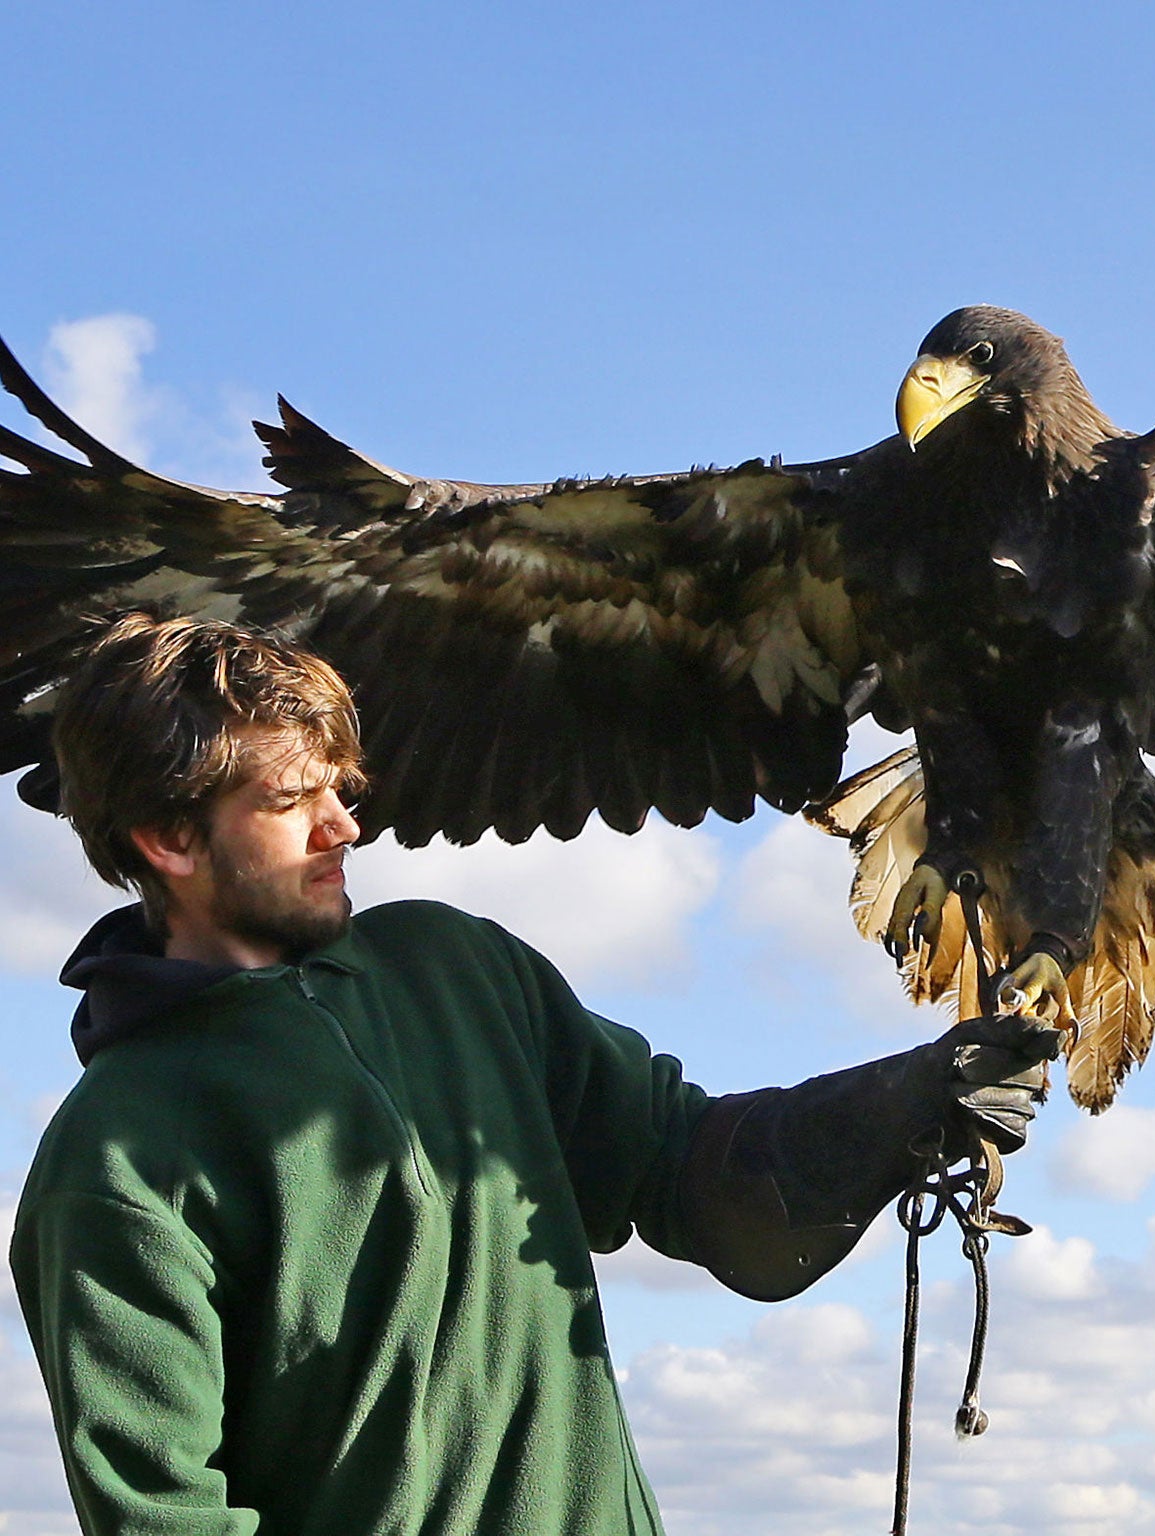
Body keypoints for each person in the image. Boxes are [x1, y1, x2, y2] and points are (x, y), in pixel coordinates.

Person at [8, 611, 1059, 1535]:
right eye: (292, 803)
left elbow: (682, 1167)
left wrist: (896, 1108)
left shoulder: (454, 969)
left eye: (343, 789)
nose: (346, 826)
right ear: (168, 838)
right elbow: (163, 1518)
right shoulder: (115, 1162)